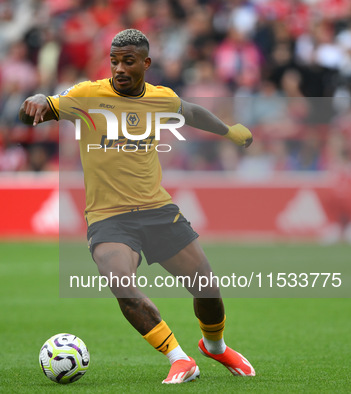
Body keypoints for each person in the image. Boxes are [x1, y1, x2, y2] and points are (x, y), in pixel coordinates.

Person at [19, 29, 255, 384]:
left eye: (128, 61)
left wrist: (229, 131)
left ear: (145, 63)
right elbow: (43, 108)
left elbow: (191, 112)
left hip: (157, 210)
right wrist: (35, 101)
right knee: (122, 285)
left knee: (206, 287)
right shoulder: (87, 95)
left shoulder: (161, 98)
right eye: (114, 61)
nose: (119, 68)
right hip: (108, 218)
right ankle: (179, 358)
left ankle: (215, 346)